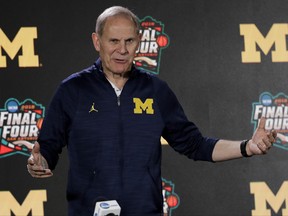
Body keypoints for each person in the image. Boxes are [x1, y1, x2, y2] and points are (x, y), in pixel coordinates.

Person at [27, 6, 277, 216]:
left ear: (139, 41)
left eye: (129, 41)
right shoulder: (73, 90)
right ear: (97, 41)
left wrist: (247, 147)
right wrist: (39, 162)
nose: (122, 50)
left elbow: (195, 144)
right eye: (113, 41)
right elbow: (48, 147)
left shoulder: (156, 91)